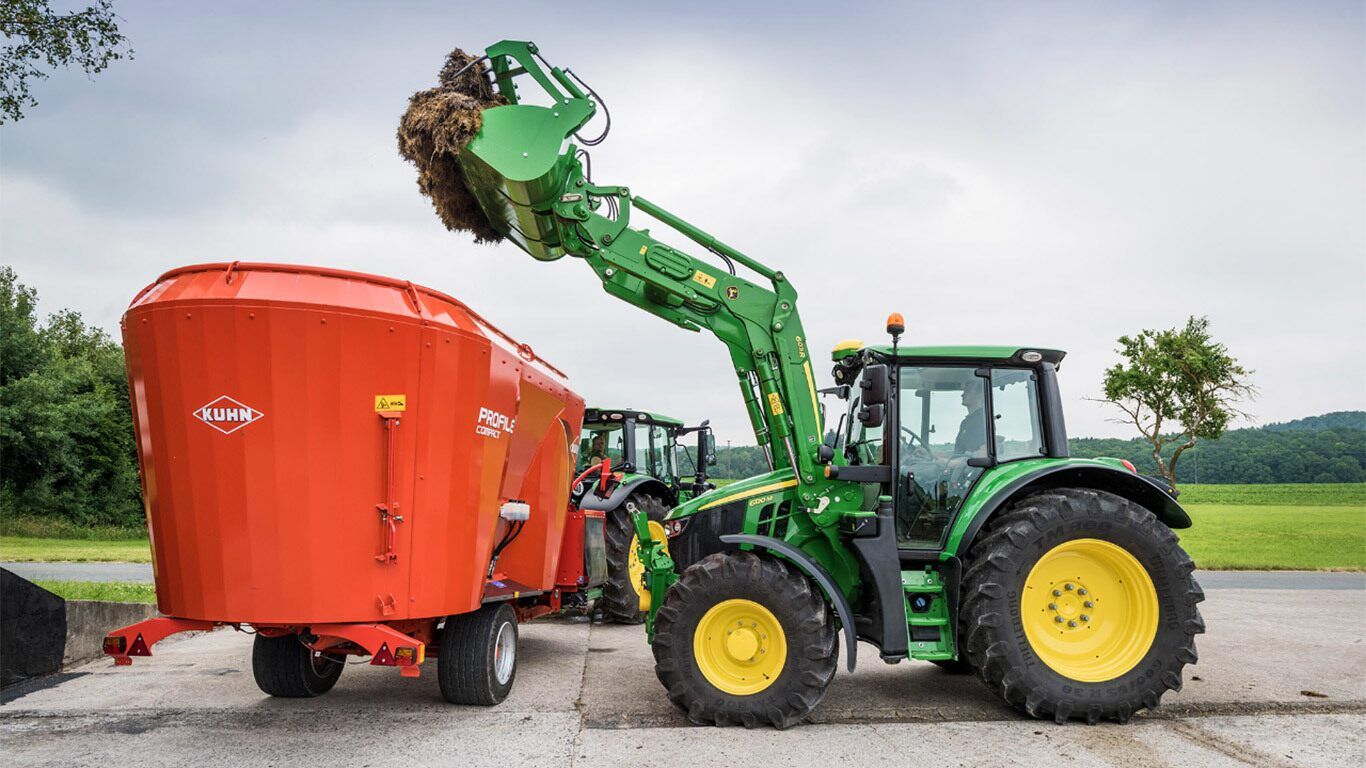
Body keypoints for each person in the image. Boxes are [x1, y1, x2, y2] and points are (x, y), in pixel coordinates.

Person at [954, 385, 988, 457]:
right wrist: (938, 455)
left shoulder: (983, 420)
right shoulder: (965, 423)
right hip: (965, 462)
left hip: (973, 464)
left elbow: (982, 454)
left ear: (979, 395)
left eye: (967, 391)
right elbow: (960, 452)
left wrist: (954, 462)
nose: (962, 395)